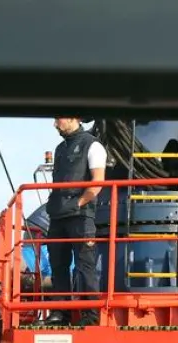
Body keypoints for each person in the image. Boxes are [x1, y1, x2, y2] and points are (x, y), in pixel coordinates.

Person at [45, 117, 107, 327]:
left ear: (73, 118)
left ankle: (90, 315)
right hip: (58, 215)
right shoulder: (60, 149)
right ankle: (60, 313)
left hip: (80, 216)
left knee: (84, 265)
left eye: (58, 119)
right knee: (58, 265)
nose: (55, 124)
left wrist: (79, 203)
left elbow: (97, 182)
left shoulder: (93, 145)